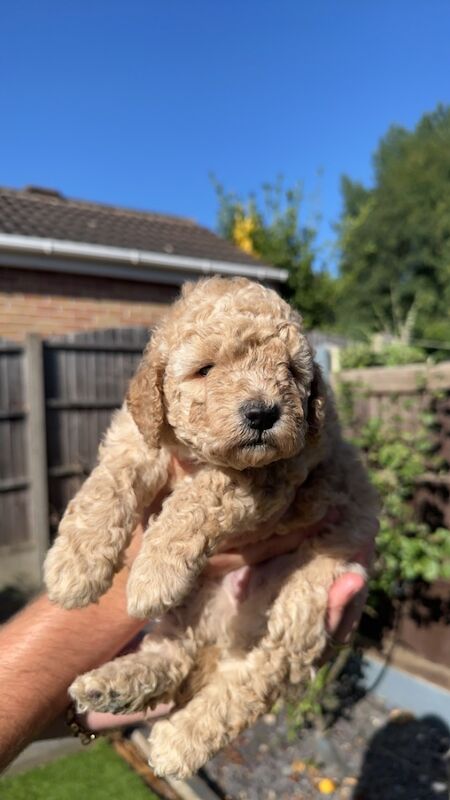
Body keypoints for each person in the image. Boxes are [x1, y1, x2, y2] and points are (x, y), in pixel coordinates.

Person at [0, 458, 375, 773]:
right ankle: (159, 673)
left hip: (297, 563)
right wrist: (122, 575)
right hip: (216, 583)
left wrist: (81, 716)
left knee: (276, 634)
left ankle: (208, 708)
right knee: (185, 631)